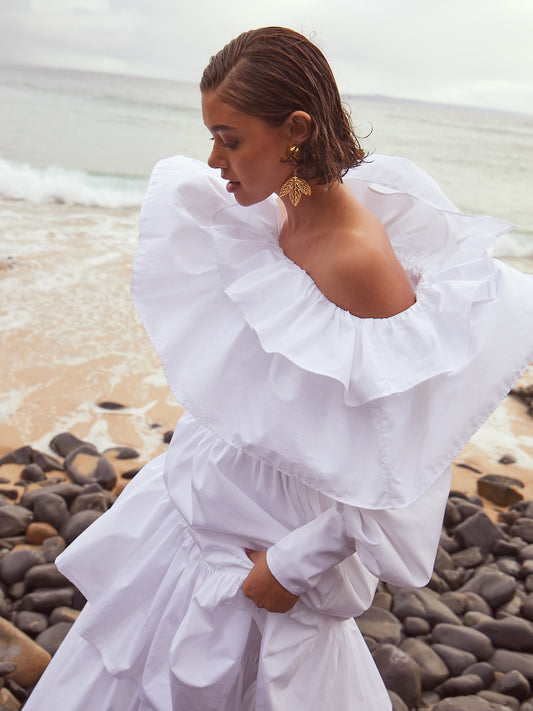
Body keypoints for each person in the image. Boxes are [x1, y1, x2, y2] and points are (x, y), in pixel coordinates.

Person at [24, 27, 533, 711]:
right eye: (211, 136)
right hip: (199, 513)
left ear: (295, 128)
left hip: (265, 550)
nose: (215, 160)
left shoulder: (355, 257)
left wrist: (292, 565)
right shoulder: (273, 212)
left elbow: (400, 453)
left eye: (230, 139)